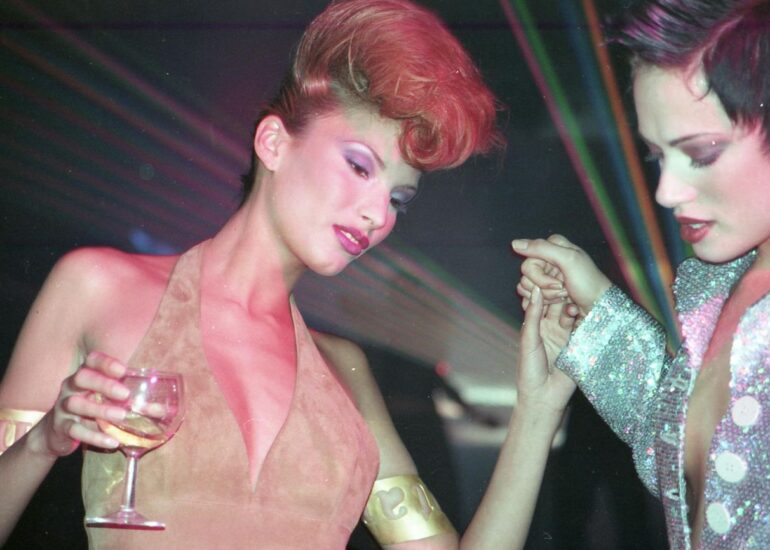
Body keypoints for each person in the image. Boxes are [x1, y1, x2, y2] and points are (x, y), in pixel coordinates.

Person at [0, 0, 575, 548]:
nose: (377, 215)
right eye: (359, 167)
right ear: (273, 143)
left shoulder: (345, 373)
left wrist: (539, 406)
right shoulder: (99, 286)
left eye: (398, 200)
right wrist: (43, 442)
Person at [513, 0, 770, 548]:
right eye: (657, 157)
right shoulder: (717, 288)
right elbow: (685, 460)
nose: (666, 192)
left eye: (701, 153)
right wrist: (598, 317)